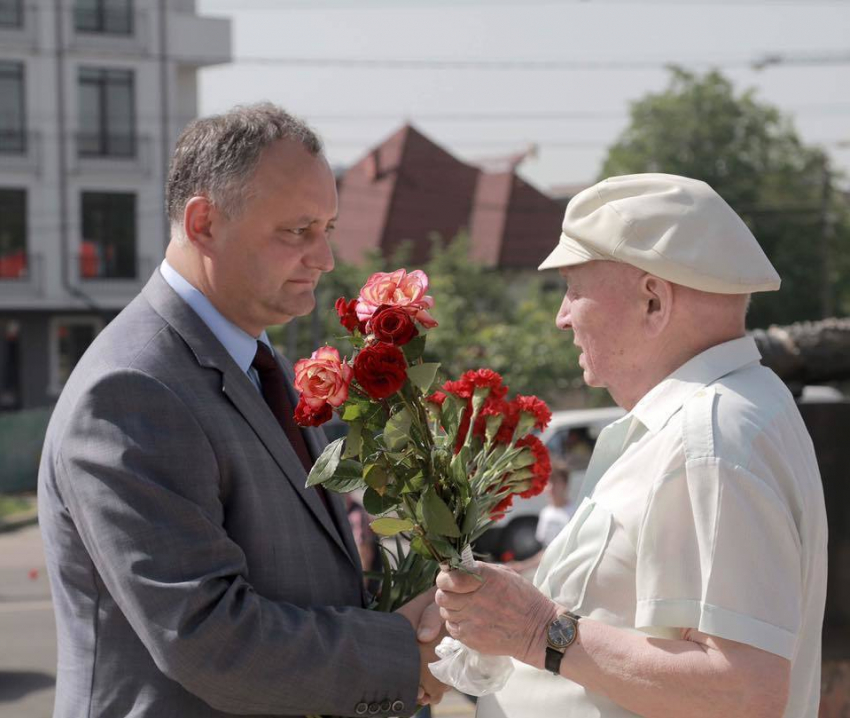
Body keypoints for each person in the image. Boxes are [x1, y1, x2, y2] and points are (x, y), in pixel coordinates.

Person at [37, 103, 446, 718]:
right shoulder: (133, 388)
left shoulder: (257, 360)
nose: (325, 257)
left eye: (328, 228)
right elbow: (206, 635)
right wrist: (402, 654)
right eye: (297, 230)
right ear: (204, 223)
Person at [434, 173, 828, 717]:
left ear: (652, 301)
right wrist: (507, 596)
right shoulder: (709, 419)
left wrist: (536, 631)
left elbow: (743, 691)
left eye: (574, 289)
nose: (562, 316)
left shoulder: (708, 435)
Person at [506, 458, 573, 576]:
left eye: (555, 482)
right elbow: (546, 551)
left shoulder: (574, 512)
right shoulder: (545, 514)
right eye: (548, 482)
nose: (551, 488)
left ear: (565, 484)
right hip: (551, 573)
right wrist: (521, 566)